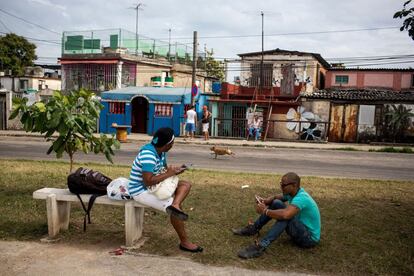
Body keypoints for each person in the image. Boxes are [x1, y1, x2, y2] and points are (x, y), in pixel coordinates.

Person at [128, 127, 203, 253]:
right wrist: (169, 174)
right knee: (174, 211)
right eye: (173, 142)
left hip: (154, 186)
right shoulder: (148, 155)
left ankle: (175, 204)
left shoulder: (161, 152)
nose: (173, 144)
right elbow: (148, 181)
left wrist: (175, 171)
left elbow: (162, 171)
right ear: (168, 144)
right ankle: (184, 242)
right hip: (140, 190)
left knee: (185, 185)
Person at [232, 172, 321, 259]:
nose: (281, 187)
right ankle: (254, 228)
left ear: (294, 185)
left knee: (286, 216)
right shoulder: (293, 192)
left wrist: (265, 211)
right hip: (301, 230)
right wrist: (266, 201)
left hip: (309, 239)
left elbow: (285, 215)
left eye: (284, 185)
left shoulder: (301, 198)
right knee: (276, 203)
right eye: (281, 184)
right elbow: (276, 198)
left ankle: (261, 246)